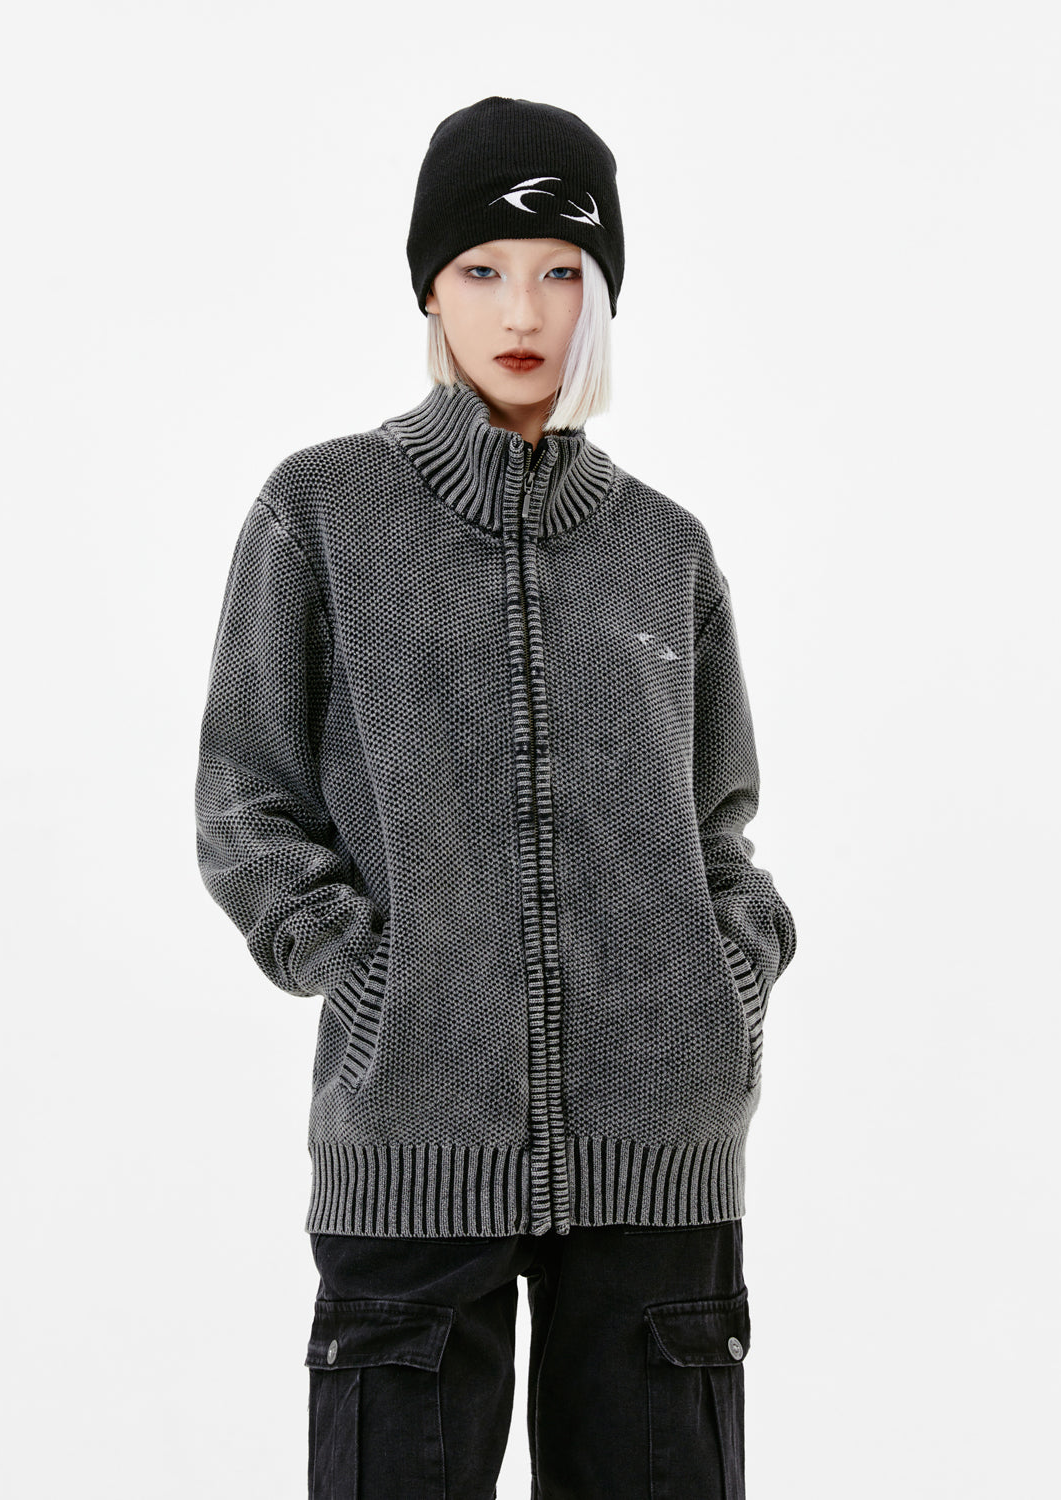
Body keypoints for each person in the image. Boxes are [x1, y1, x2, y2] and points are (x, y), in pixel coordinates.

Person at [195, 94, 798, 1500]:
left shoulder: (663, 549)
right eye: (481, 268)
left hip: (660, 1152)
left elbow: (719, 826)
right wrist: (367, 977)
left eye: (560, 271)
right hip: (412, 1138)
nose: (521, 310)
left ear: (602, 295)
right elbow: (244, 797)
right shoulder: (322, 514)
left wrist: (730, 971)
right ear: (429, 286)